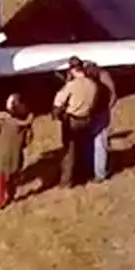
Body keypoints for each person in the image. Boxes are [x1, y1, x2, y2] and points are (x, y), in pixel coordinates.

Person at [52, 56, 98, 188]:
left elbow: (58, 102)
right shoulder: (92, 84)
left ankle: (66, 181)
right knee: (83, 148)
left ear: (72, 69)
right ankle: (84, 175)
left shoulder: (71, 86)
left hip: (72, 121)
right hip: (87, 119)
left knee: (69, 152)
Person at [0, 93, 32, 210]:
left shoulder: (2, 120)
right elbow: (28, 139)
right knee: (12, 176)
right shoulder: (26, 122)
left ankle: (0, 201)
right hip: (15, 153)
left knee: (0, 179)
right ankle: (11, 194)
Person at [85, 62, 118, 184]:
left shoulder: (94, 77)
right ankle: (97, 171)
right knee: (98, 143)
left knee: (96, 143)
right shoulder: (104, 76)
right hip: (98, 113)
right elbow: (113, 95)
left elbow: (113, 95)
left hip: (94, 114)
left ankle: (98, 172)